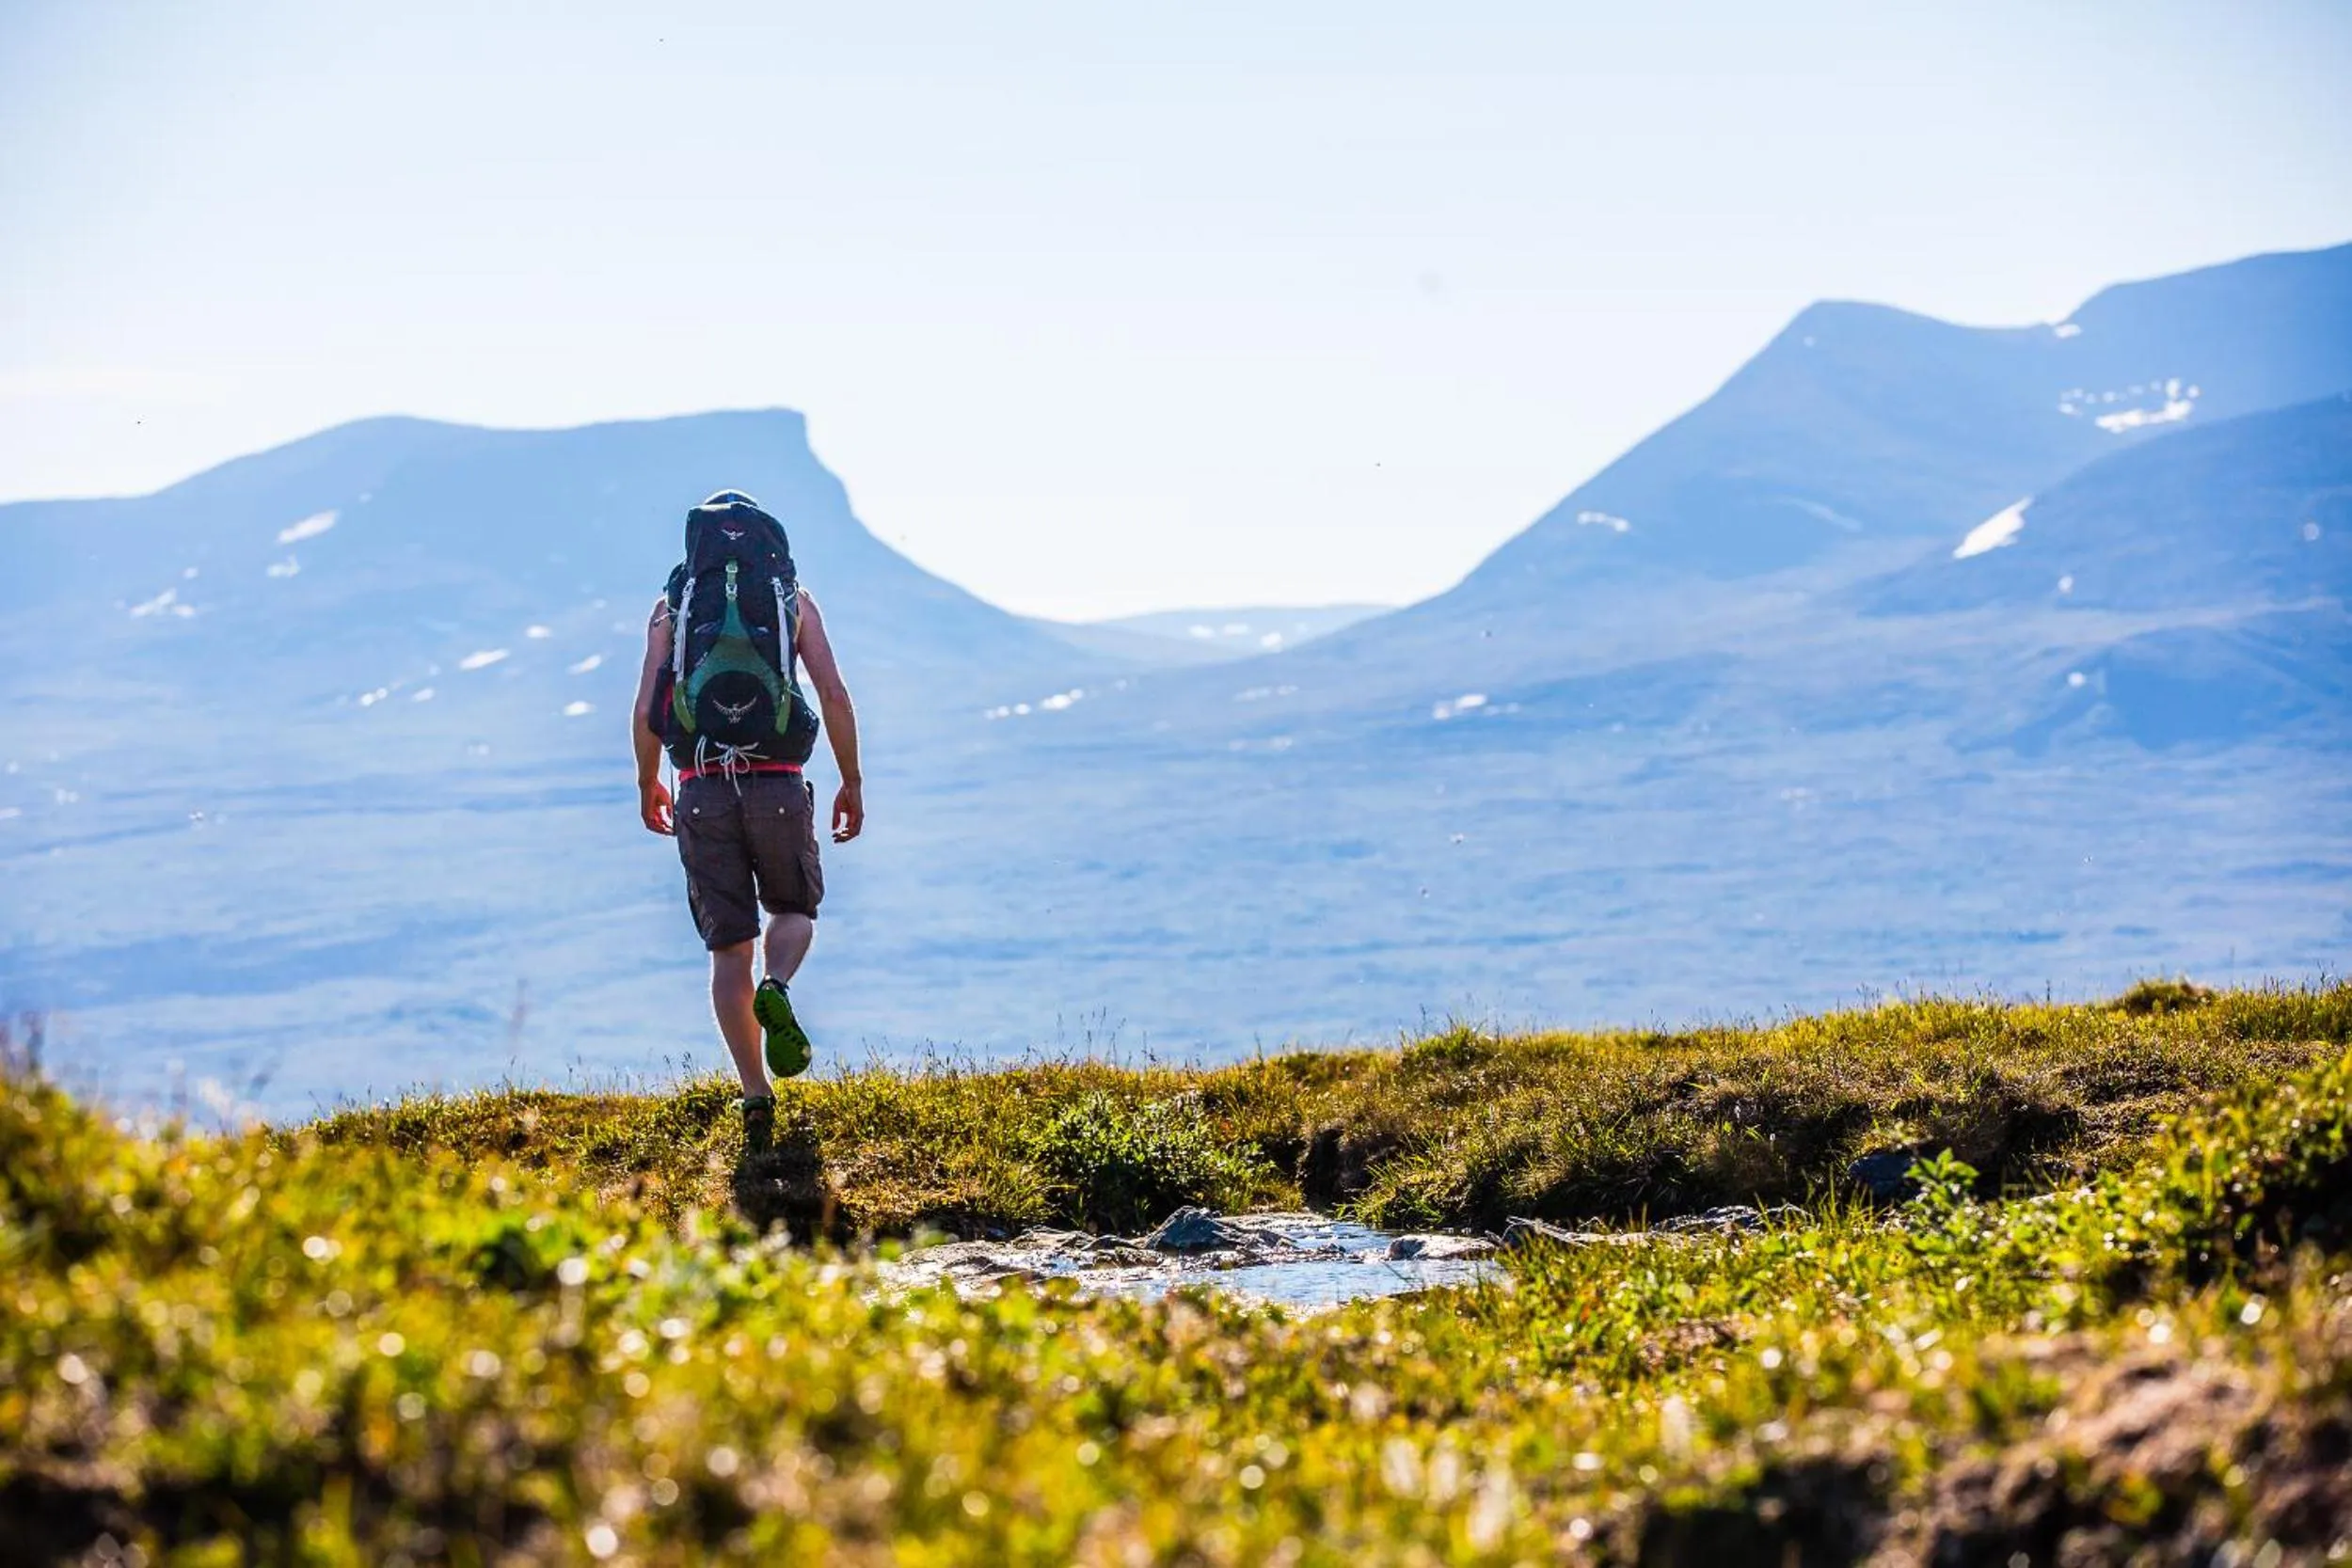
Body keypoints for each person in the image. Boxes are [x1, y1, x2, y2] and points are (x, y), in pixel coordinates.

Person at [632, 490, 863, 1148]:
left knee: (727, 947)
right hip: (780, 783)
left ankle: (756, 1095)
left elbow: (650, 703)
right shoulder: (792, 599)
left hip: (701, 786)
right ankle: (779, 983)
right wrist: (852, 779)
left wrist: (649, 780)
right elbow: (834, 693)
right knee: (793, 910)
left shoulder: (671, 607)